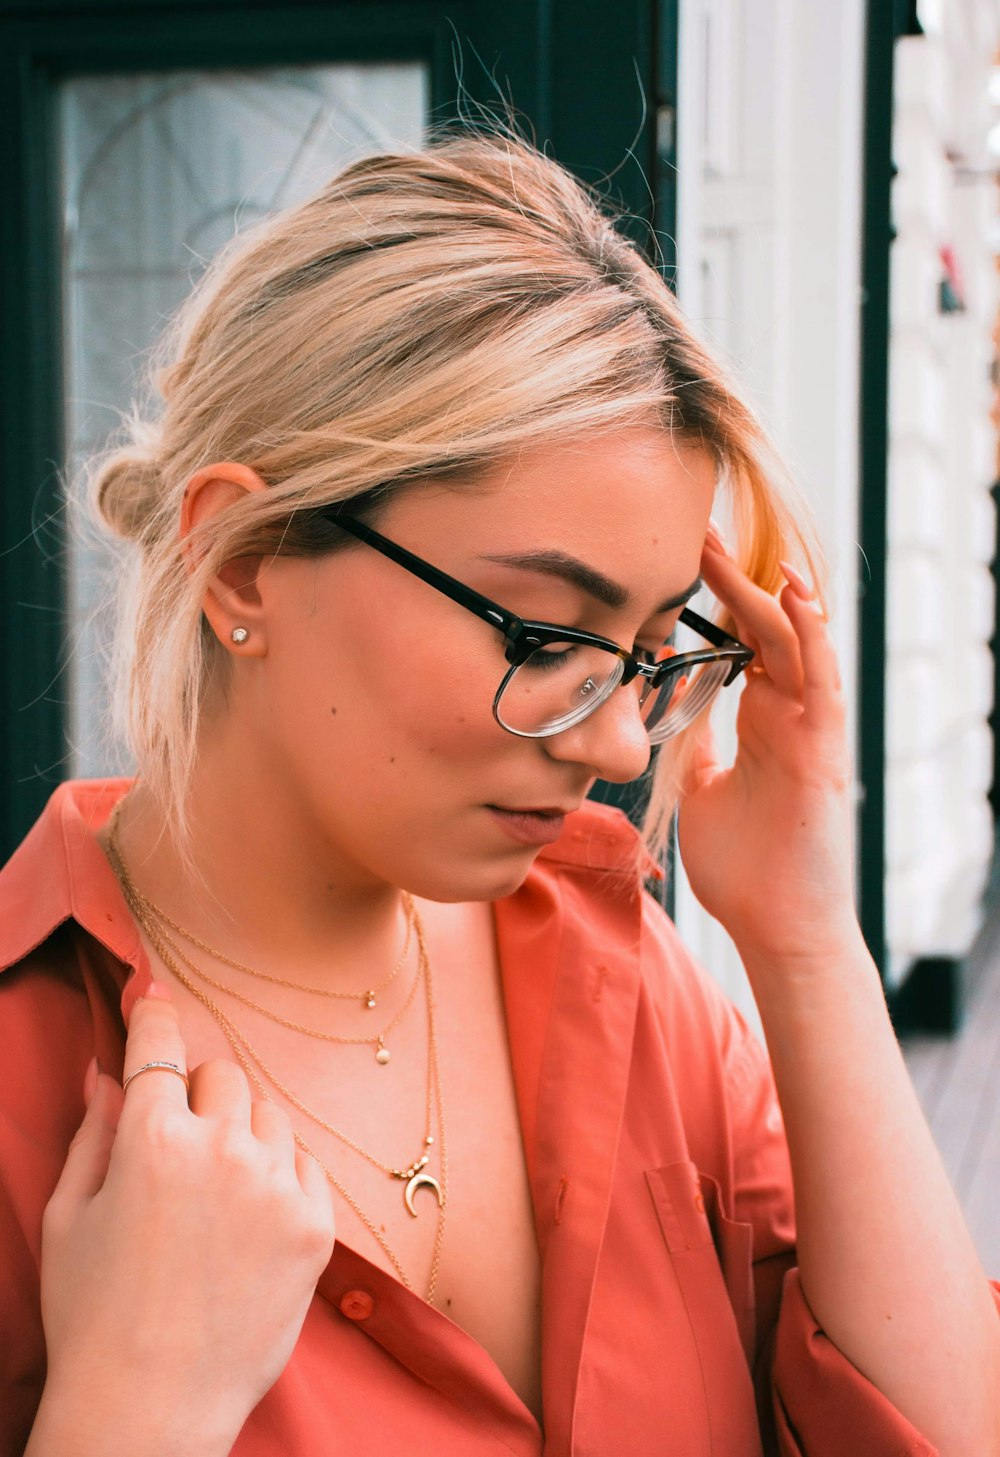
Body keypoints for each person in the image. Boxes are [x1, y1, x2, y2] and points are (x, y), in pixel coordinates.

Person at [0, 130, 997, 1457]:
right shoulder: (27, 1081)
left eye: (650, 653)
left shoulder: (626, 979)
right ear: (244, 562)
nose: (624, 751)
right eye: (540, 637)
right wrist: (133, 1407)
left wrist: (806, 934)